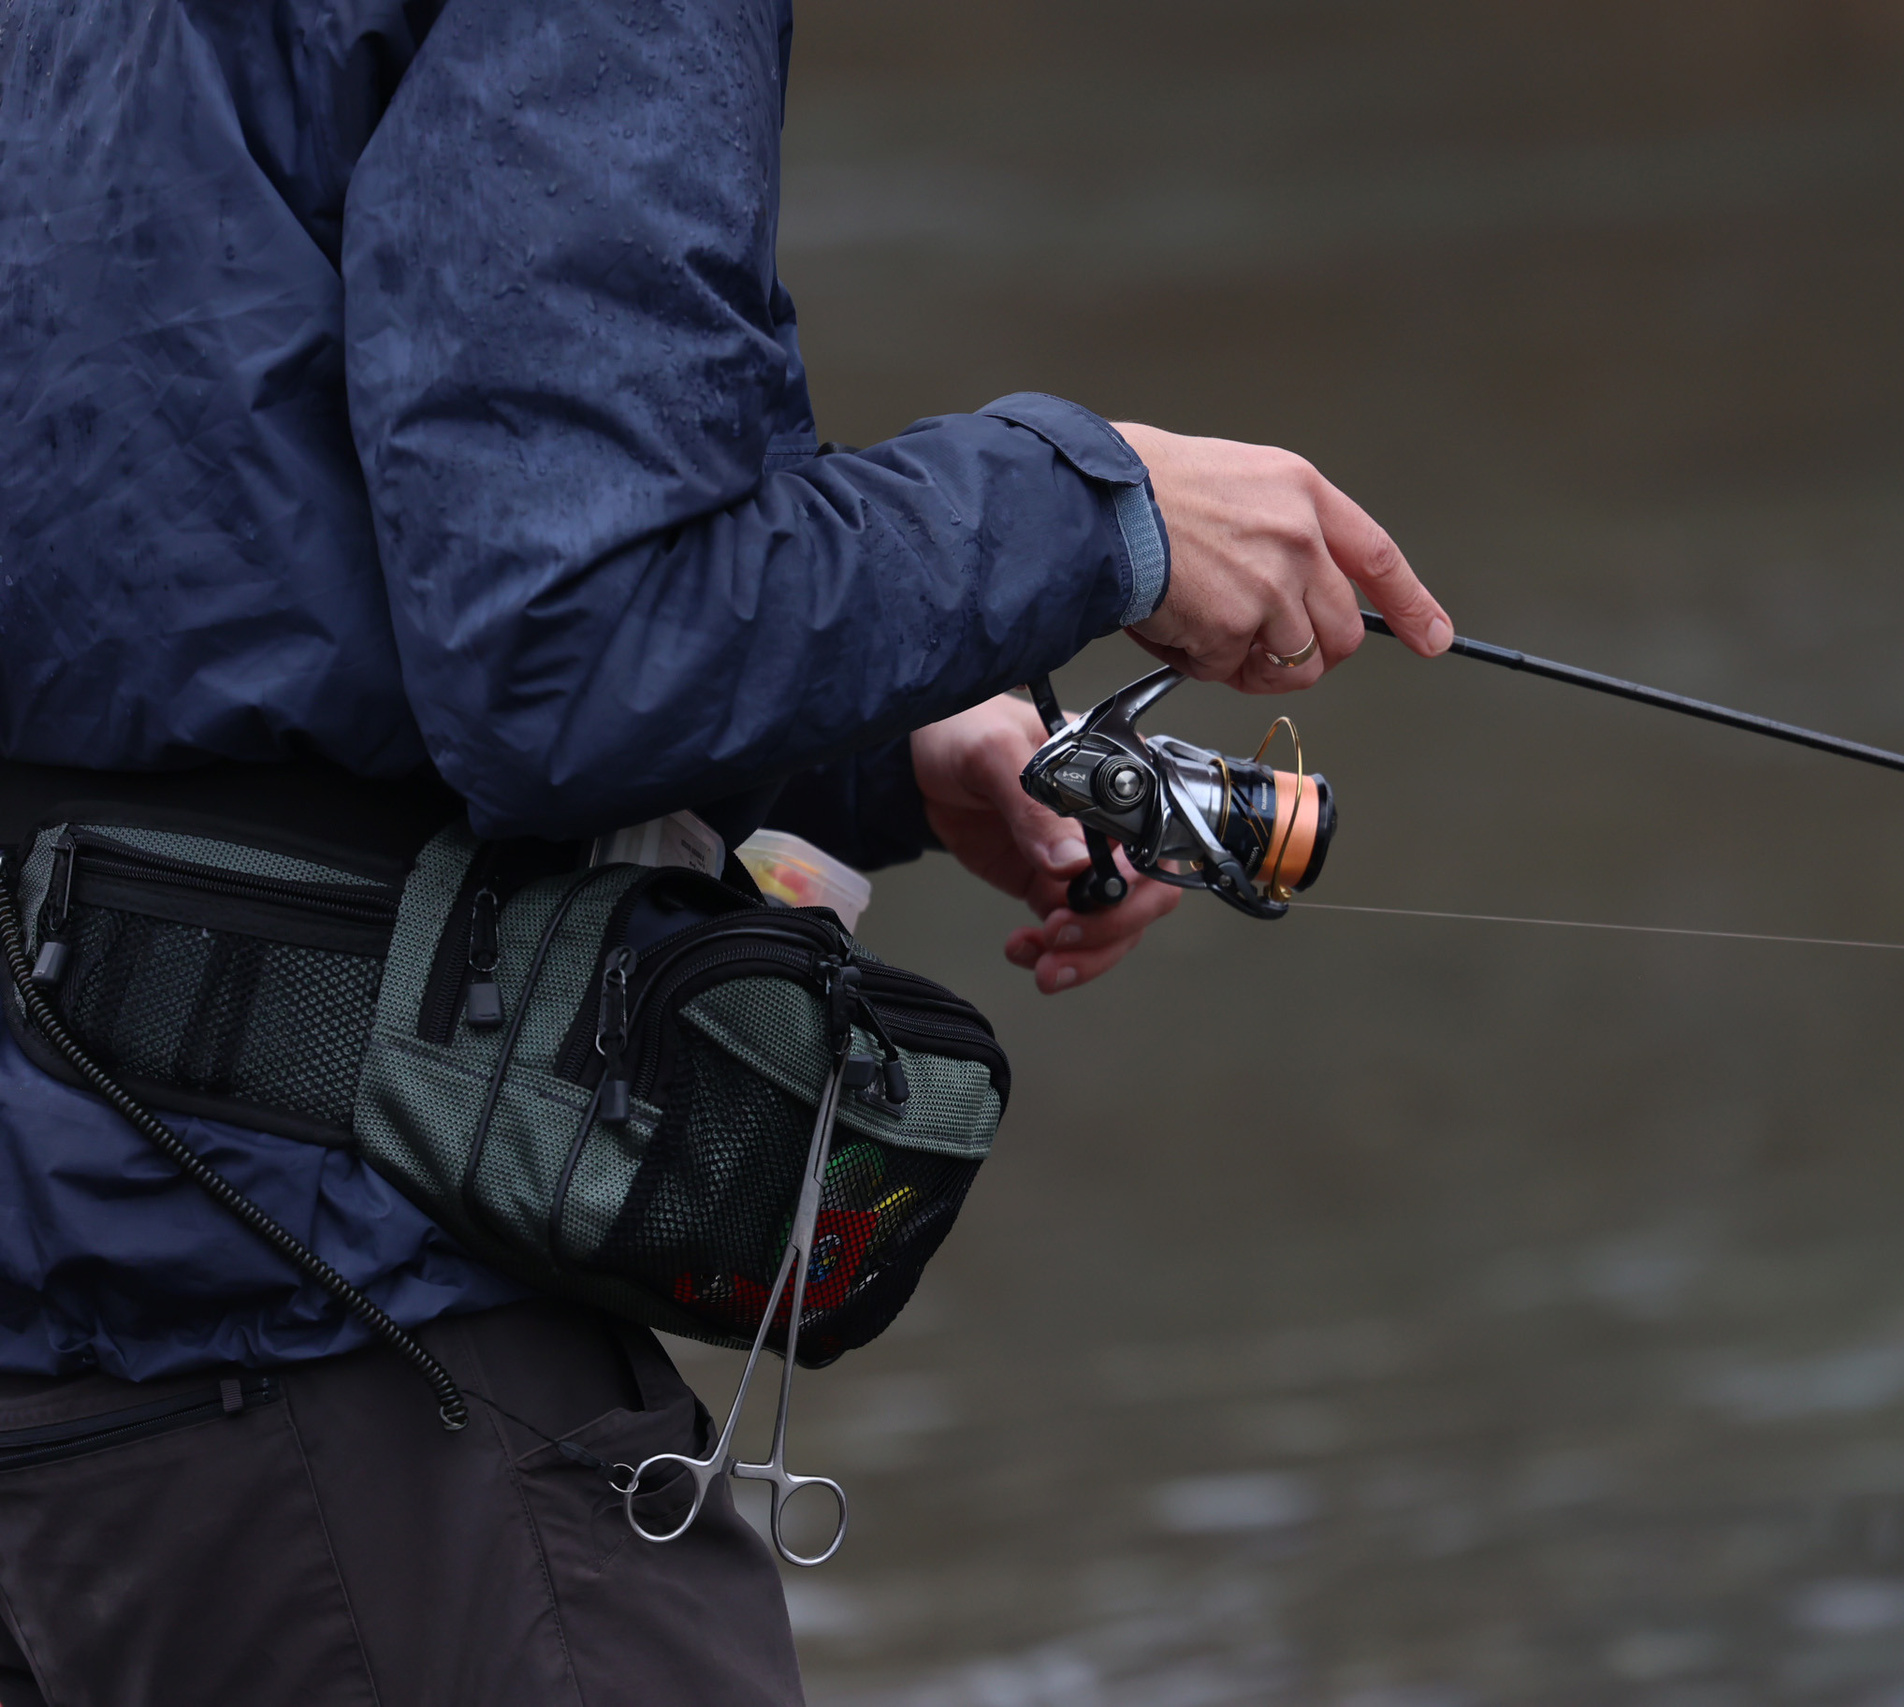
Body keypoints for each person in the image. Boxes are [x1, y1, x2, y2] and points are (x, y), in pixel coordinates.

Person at [0, 0, 1450, 1702]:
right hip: (325, 1327)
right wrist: (1095, 511)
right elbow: (574, 648)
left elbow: (186, 566)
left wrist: (886, 753)